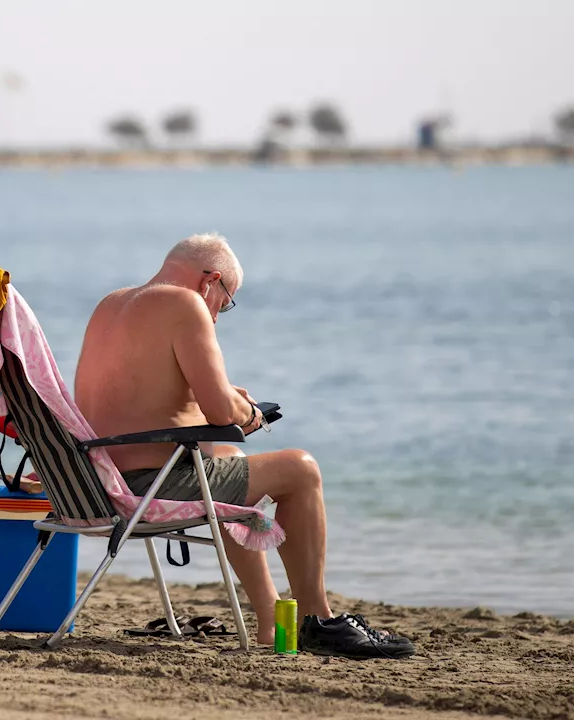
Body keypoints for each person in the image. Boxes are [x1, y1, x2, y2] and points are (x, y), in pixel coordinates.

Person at [73, 232, 415, 659]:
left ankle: (271, 619)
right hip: (150, 487)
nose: (217, 316)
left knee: (229, 458)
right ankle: (317, 618)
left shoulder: (112, 303)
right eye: (226, 301)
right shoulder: (186, 304)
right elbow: (220, 413)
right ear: (210, 281)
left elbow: (138, 403)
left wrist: (219, 397)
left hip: (98, 481)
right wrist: (246, 411)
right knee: (301, 469)